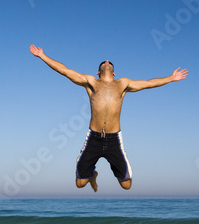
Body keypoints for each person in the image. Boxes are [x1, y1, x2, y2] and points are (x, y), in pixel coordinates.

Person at [30, 45, 188, 192]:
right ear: (98, 72)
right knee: (80, 184)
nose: (106, 61)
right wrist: (42, 55)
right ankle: (92, 174)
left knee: (126, 185)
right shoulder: (91, 82)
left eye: (109, 62)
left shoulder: (123, 83)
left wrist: (170, 78)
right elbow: (65, 71)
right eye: (103, 62)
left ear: (114, 73)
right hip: (93, 138)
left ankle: (111, 166)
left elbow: (148, 83)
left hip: (114, 140)